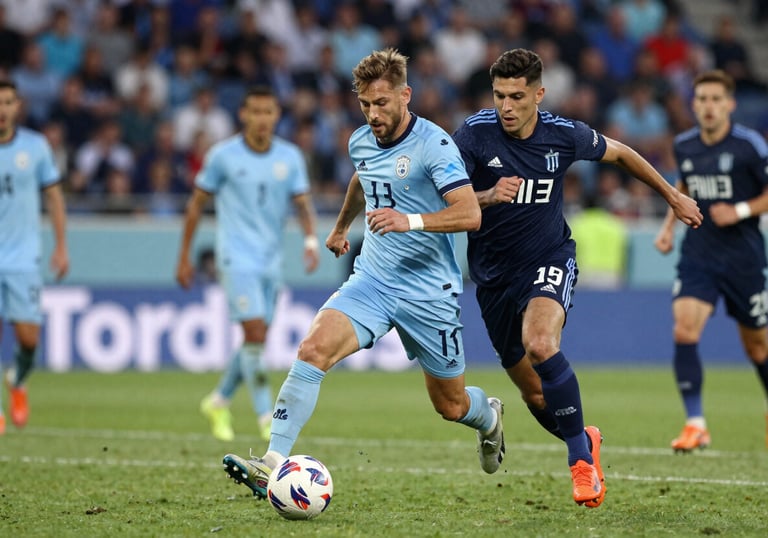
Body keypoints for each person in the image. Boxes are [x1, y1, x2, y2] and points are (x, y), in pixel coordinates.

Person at [221, 48, 505, 499]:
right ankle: (272, 463)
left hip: (429, 291)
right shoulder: (360, 141)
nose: (372, 114)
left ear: (405, 95)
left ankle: (488, 416)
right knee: (313, 349)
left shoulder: (435, 145)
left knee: (450, 405)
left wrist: (407, 220)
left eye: (381, 103)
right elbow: (362, 178)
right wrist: (339, 228)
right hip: (372, 279)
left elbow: (469, 213)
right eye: (365, 104)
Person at [452, 48, 702, 508]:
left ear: (539, 94)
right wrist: (486, 196)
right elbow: (447, 196)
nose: (506, 106)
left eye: (516, 96)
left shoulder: (562, 135)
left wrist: (671, 196)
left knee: (542, 343)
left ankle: (580, 464)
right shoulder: (473, 135)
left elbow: (623, 155)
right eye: (499, 95)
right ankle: (585, 438)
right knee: (532, 393)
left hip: (548, 258)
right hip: (491, 279)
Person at [176, 85, 320, 442]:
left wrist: (311, 240)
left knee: (254, 343)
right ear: (243, 114)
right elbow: (195, 205)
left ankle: (218, 400)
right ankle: (265, 417)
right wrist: (184, 257)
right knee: (254, 335)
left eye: (268, 112)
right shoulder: (222, 156)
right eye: (255, 112)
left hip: (271, 260)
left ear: (277, 116)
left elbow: (302, 203)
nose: (261, 119)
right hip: (236, 257)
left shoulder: (289, 157)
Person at [654, 69, 768, 452]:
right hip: (699, 255)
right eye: (701, 99)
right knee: (684, 331)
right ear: (694, 104)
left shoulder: (749, 146)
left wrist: (738, 210)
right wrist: (668, 227)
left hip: (744, 260)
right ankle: (696, 424)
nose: (708, 106)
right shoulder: (685, 145)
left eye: (716, 99)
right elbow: (682, 187)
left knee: (758, 349)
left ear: (730, 105)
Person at [0, 79, 69, 435]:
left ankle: (18, 380)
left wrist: (61, 246)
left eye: (7, 102)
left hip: (24, 257)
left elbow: (54, 198)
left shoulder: (36, 146)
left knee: (28, 340)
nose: (1, 109)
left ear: (17, 106)